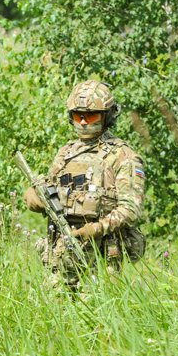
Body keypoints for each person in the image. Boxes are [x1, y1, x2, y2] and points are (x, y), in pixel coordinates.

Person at [23, 80, 146, 289]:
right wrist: (33, 198)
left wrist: (96, 229)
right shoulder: (66, 153)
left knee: (99, 315)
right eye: (76, 115)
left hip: (103, 258)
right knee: (55, 315)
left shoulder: (123, 156)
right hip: (61, 255)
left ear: (107, 116)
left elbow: (130, 209)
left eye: (90, 116)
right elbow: (47, 189)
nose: (82, 122)